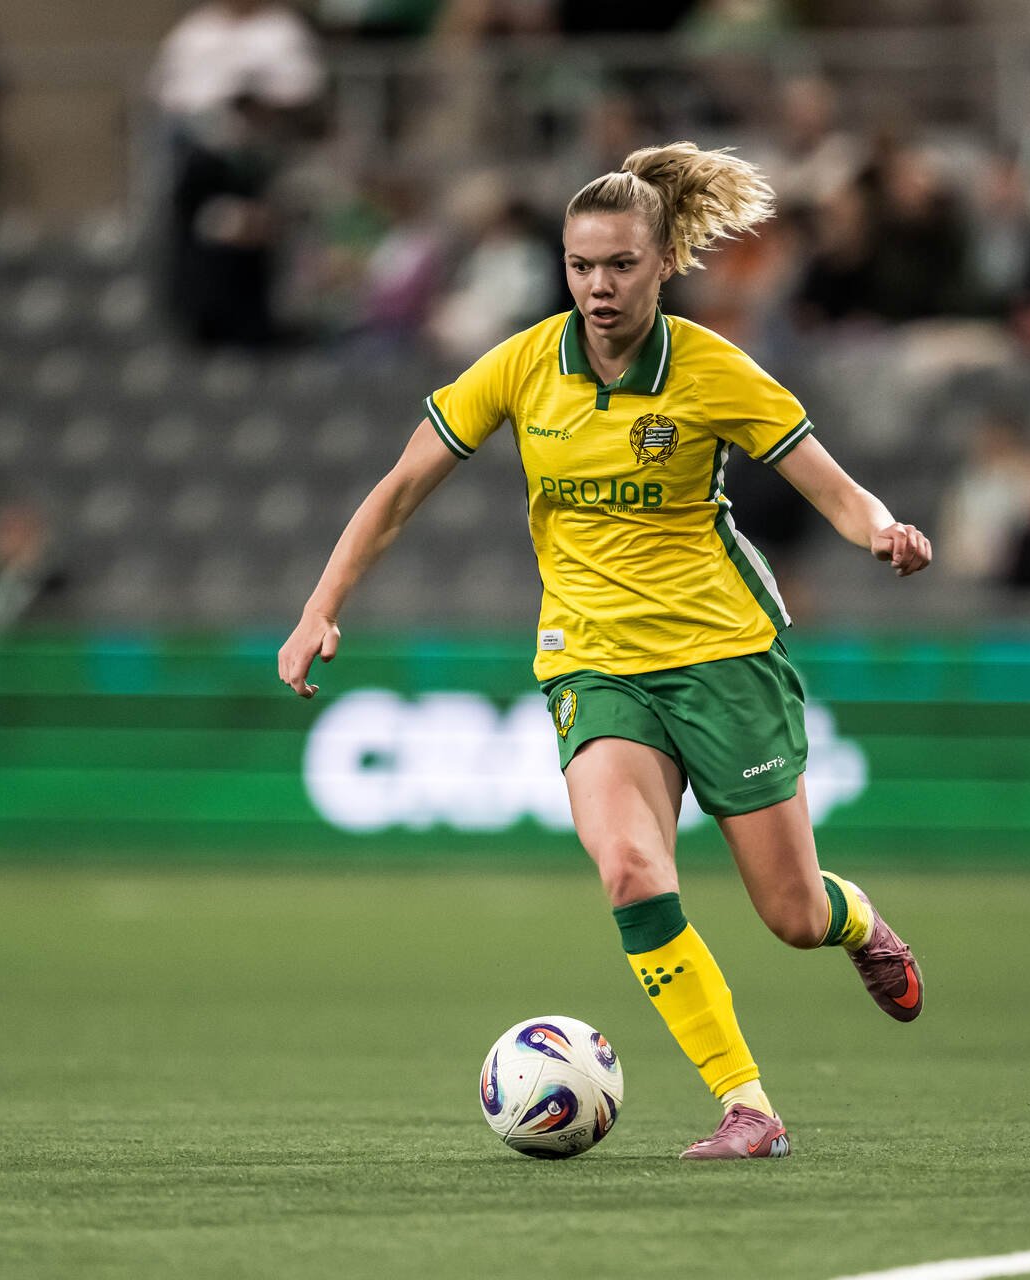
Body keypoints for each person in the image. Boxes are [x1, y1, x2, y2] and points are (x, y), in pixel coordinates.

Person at [278, 142, 932, 1161]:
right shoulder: (525, 363)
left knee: (792, 912)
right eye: (581, 265)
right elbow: (402, 485)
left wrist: (883, 530)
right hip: (592, 662)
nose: (597, 284)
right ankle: (747, 1105)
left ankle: (858, 923)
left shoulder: (713, 369)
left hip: (724, 657)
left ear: (663, 260)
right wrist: (322, 604)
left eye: (619, 264)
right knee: (631, 868)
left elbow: (835, 488)